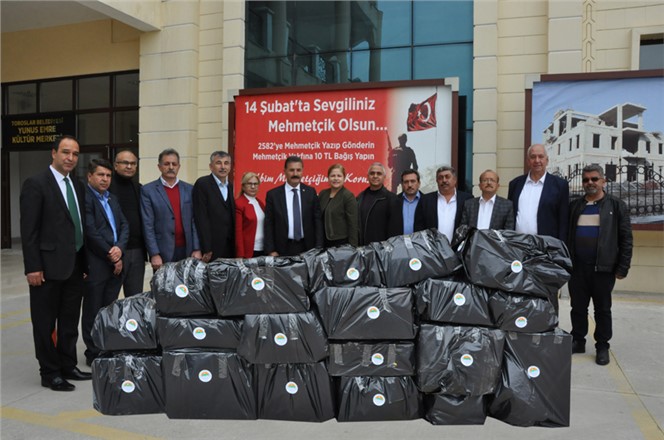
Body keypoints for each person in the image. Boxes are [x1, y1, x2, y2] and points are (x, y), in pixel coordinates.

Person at [20, 135, 91, 391]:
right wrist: (33, 267)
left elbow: (78, 225)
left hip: (74, 266)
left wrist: (83, 265)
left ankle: (68, 365)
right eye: (65, 152)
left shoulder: (77, 185)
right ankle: (49, 372)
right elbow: (29, 231)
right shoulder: (36, 184)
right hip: (46, 268)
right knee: (44, 322)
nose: (70, 158)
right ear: (54, 153)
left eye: (74, 153)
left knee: (70, 320)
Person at [567, 164, 633, 366]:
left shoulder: (615, 205)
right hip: (577, 267)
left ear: (603, 181)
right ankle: (578, 340)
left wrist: (623, 267)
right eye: (586, 180)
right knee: (577, 307)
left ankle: (602, 345)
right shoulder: (575, 206)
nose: (590, 183)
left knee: (602, 309)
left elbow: (626, 239)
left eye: (594, 179)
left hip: (603, 268)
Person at [82, 158, 129, 366]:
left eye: (108, 175)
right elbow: (90, 231)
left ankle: (106, 345)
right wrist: (111, 253)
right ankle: (92, 351)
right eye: (100, 175)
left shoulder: (112, 199)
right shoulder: (85, 198)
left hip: (115, 262)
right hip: (96, 262)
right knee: (93, 309)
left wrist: (119, 249)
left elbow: (124, 225)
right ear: (90, 176)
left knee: (109, 309)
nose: (105, 179)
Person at [141, 148, 201, 271]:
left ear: (179, 166)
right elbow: (147, 224)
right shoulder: (148, 190)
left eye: (174, 164)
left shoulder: (190, 189)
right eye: (166, 164)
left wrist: (197, 248)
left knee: (187, 288)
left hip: (187, 250)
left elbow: (195, 220)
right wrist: (154, 253)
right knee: (164, 288)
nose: (171, 167)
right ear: (159, 167)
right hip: (162, 252)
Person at [264, 156, 323, 256]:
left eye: (298, 170)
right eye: (291, 170)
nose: (295, 174)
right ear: (285, 171)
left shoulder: (310, 192)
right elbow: (269, 224)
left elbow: (317, 221)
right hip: (282, 250)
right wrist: (271, 250)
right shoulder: (273, 195)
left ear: (302, 171)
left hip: (308, 249)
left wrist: (318, 247)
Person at [508, 144, 569, 240]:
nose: (537, 160)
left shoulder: (560, 186)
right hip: (517, 245)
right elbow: (510, 216)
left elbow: (563, 221)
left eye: (541, 156)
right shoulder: (515, 184)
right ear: (528, 161)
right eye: (533, 157)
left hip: (546, 246)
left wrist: (560, 248)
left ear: (547, 160)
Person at [109, 149, 146, 296]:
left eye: (133, 163)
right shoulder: (108, 187)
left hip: (137, 251)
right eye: (125, 163)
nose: (129, 166)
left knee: (135, 299)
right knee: (109, 299)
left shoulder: (139, 188)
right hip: (114, 251)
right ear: (115, 165)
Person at [193, 151, 235, 262]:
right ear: (211, 166)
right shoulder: (203, 184)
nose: (223, 167)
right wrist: (206, 248)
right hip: (211, 248)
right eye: (218, 163)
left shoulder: (231, 186)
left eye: (226, 163)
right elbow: (201, 217)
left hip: (229, 246)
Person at [420, 165, 473, 242]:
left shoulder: (467, 199)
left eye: (447, 177)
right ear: (437, 181)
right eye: (440, 178)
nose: (444, 180)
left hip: (458, 249)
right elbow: (420, 227)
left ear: (455, 180)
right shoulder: (426, 200)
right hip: (432, 249)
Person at [357, 162, 403, 245]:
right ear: (367, 176)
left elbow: (395, 231)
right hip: (362, 250)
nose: (375, 176)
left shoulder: (392, 199)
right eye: (372, 173)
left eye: (379, 173)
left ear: (384, 177)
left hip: (381, 251)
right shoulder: (359, 198)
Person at [318, 164, 359, 247]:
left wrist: (353, 247)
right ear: (328, 178)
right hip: (323, 242)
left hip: (341, 243)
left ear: (344, 178)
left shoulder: (348, 196)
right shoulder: (323, 194)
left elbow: (353, 224)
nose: (336, 178)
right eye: (333, 176)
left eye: (339, 176)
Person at [235, 172, 266, 258]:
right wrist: (240, 255)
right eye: (249, 184)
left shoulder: (260, 203)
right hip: (248, 252)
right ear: (243, 186)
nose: (253, 187)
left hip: (263, 250)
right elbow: (238, 232)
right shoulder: (239, 204)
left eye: (255, 184)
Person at [399, 169, 425, 235]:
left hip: (420, 243)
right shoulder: (394, 201)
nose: (409, 185)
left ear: (419, 183)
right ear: (402, 184)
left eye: (413, 181)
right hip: (398, 243)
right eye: (406, 182)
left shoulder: (427, 201)